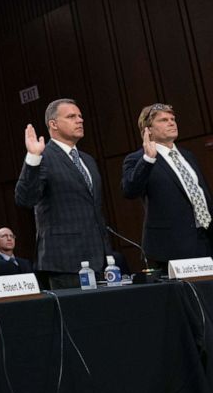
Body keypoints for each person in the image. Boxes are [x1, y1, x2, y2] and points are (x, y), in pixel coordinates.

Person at [16, 98, 109, 289]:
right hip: (64, 261)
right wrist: (33, 157)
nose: (80, 120)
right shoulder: (43, 156)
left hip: (98, 259)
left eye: (80, 116)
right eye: (71, 116)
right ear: (53, 124)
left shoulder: (88, 160)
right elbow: (24, 198)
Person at [122, 104, 212, 268]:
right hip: (171, 247)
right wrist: (148, 159)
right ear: (148, 130)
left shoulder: (188, 155)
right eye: (164, 120)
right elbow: (130, 190)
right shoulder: (137, 159)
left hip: (205, 240)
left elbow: (202, 194)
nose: (172, 123)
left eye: (173, 119)